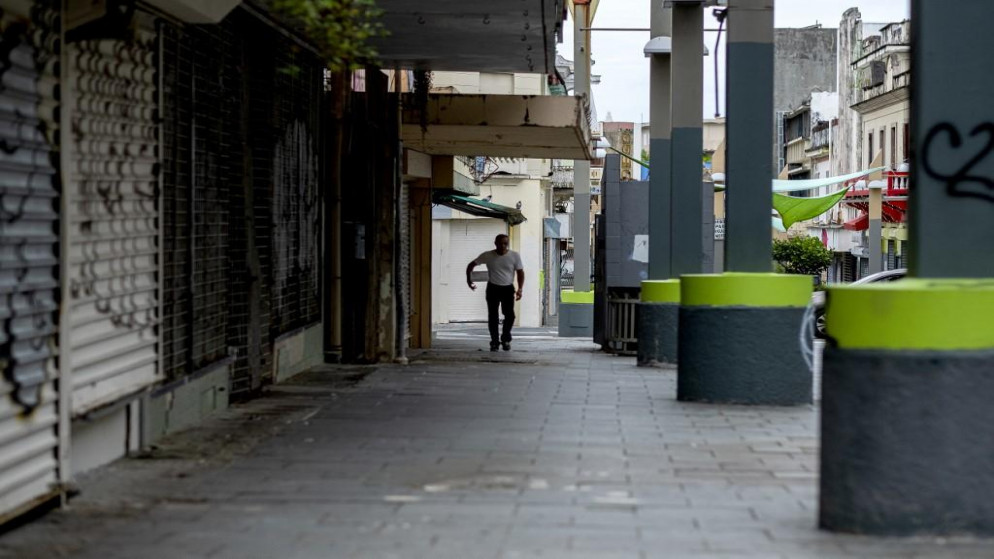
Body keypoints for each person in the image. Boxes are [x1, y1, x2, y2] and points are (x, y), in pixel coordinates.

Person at [466, 234, 524, 351]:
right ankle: (494, 342)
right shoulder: (488, 255)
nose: (503, 246)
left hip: (508, 289)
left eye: (505, 244)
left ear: (507, 244)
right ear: (495, 243)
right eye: (500, 243)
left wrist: (520, 289)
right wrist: (469, 280)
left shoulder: (514, 256)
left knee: (510, 315)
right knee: (493, 316)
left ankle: (505, 338)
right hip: (493, 288)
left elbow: (520, 272)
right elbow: (471, 266)